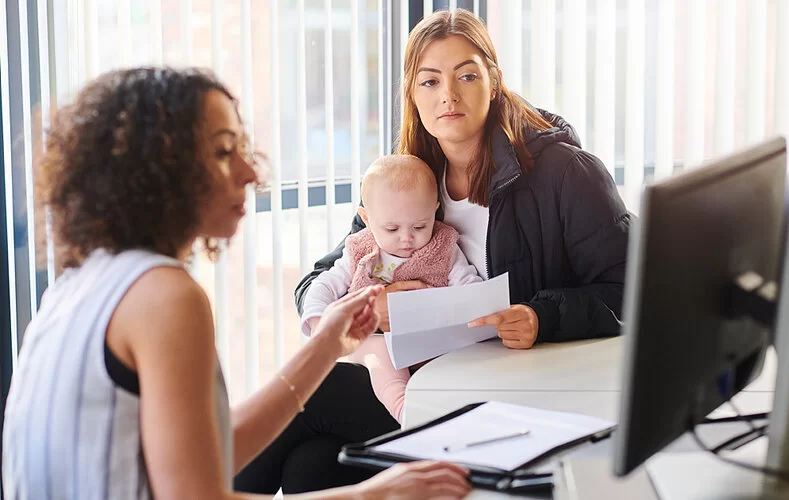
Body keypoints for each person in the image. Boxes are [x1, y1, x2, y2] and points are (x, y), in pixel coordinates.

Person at [1, 67, 472, 500]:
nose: (252, 173)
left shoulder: (82, 283)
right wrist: (377, 495)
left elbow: (206, 454)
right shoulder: (164, 296)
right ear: (161, 172)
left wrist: (328, 343)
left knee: (314, 462)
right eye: (225, 152)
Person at [237, 7, 631, 495]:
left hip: (512, 395)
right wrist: (367, 310)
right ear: (412, 94)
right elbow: (325, 275)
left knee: (315, 396)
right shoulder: (410, 177)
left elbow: (633, 291)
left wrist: (540, 316)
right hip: (428, 382)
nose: (448, 95)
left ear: (494, 80)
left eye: (466, 75)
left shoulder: (565, 175)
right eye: (429, 81)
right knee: (312, 466)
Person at [301, 154, 482, 422]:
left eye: (420, 226)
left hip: (430, 344)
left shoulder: (444, 247)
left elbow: (469, 287)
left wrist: (471, 309)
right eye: (392, 228)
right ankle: (403, 409)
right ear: (367, 217)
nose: (407, 238)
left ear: (435, 210)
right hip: (375, 342)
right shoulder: (360, 249)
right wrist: (319, 323)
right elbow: (323, 285)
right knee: (380, 353)